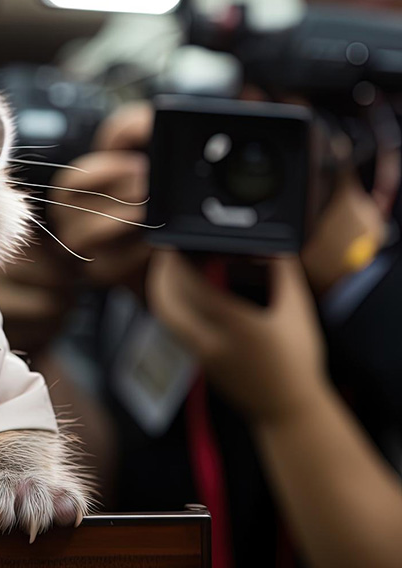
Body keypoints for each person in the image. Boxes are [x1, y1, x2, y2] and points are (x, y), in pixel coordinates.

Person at [37, 68, 402, 568]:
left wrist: (288, 399)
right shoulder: (147, 254)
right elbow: (93, 485)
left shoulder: (373, 288)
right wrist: (31, 331)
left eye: (277, 148)